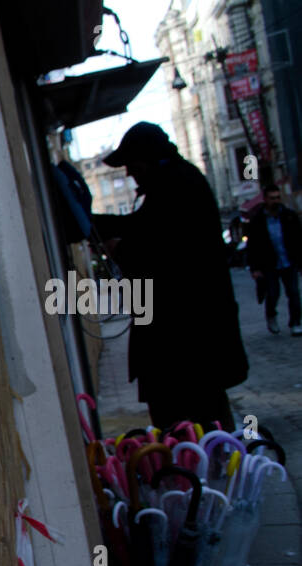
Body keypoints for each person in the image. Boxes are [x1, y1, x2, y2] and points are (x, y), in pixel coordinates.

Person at [93, 122, 248, 431]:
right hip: (186, 341)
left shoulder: (175, 186)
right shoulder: (176, 182)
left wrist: (117, 248)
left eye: (132, 165)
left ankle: (205, 474)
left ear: (147, 158)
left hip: (185, 341)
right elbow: (141, 228)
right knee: (204, 420)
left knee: (193, 425)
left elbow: (156, 251)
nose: (129, 174)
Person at [245, 185, 302, 335]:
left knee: (294, 293)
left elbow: (298, 239)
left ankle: (295, 322)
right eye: (272, 198)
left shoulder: (289, 216)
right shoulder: (257, 220)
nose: (276, 201)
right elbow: (252, 246)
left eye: (277, 197)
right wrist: (255, 268)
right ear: (265, 199)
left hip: (288, 261)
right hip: (269, 264)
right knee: (273, 293)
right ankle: (271, 315)